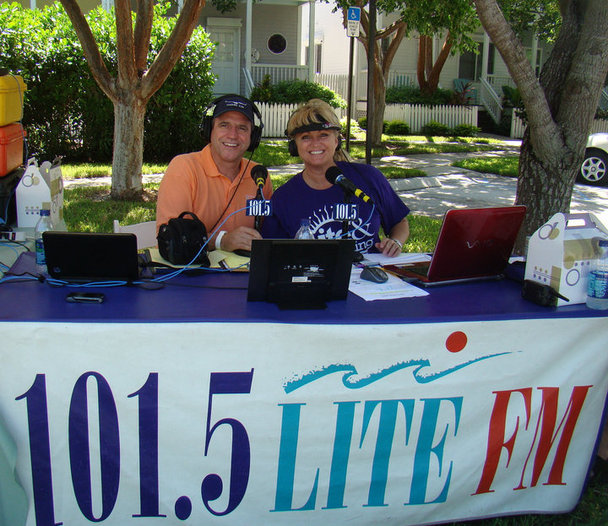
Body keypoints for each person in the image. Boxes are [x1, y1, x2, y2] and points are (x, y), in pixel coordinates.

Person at [261, 99, 410, 257]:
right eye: (306, 137)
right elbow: (272, 252)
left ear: (336, 141)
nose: (315, 143)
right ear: (294, 146)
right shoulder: (284, 198)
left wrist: (396, 242)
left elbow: (399, 222)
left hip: (370, 271)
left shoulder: (369, 177)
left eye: (323, 135)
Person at [156, 94, 273, 253]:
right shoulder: (184, 168)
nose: (233, 135)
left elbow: (268, 232)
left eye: (242, 128)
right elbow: (170, 237)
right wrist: (221, 241)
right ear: (209, 130)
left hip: (243, 267)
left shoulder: (258, 175)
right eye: (224, 125)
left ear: (253, 137)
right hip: (193, 267)